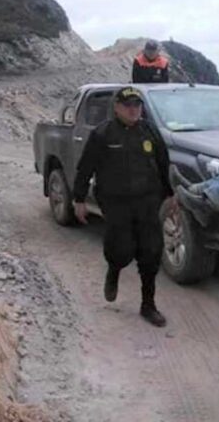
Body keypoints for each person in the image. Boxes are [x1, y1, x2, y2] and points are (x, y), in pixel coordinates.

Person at [72, 86, 173, 327]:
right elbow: (85, 168)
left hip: (147, 201)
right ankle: (114, 269)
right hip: (116, 202)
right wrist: (79, 199)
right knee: (121, 249)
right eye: (128, 105)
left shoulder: (150, 131)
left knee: (151, 253)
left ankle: (148, 305)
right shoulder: (103, 134)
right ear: (117, 107)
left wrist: (170, 195)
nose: (133, 110)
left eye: (137, 105)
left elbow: (163, 163)